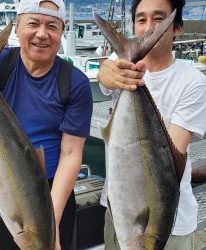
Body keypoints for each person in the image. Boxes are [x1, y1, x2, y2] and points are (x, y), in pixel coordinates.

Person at [0, 0, 93, 249]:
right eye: (33, 23)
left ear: (62, 33)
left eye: (52, 25)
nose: (42, 33)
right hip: (2, 188)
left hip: (54, 194)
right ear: (17, 28)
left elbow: (72, 152)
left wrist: (51, 220)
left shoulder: (75, 82)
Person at [97, 0, 206, 249]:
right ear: (134, 25)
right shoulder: (122, 63)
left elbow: (169, 157)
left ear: (176, 27)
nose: (149, 28)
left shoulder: (193, 82)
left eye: (159, 20)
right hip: (117, 210)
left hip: (167, 222)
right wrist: (109, 73)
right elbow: (105, 72)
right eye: (142, 20)